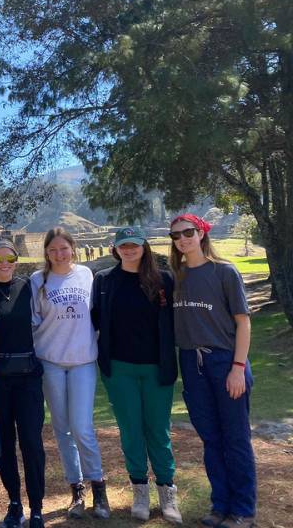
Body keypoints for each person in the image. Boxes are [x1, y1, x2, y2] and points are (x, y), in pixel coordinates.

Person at [169, 214, 256, 528]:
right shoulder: (174, 277)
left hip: (225, 361)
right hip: (192, 365)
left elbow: (243, 322)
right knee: (211, 439)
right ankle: (220, 506)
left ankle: (243, 510)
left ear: (202, 232)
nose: (183, 239)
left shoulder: (224, 272)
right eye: (176, 235)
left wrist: (237, 367)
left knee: (236, 439)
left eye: (188, 232)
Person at [91, 227, 182, 523]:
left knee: (158, 430)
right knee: (131, 430)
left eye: (134, 245)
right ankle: (140, 489)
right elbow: (95, 319)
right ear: (115, 249)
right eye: (123, 245)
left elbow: (174, 322)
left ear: (144, 247)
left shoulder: (164, 279)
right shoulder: (105, 280)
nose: (129, 250)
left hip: (157, 367)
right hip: (120, 369)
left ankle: (167, 492)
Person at [30, 227, 109, 519]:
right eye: (53, 250)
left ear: (73, 249)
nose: (59, 254)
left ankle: (98, 485)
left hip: (83, 360)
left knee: (81, 427)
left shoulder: (87, 275)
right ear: (46, 253)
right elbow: (33, 322)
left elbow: (97, 315)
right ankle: (76, 489)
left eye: (64, 248)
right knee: (61, 429)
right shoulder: (37, 281)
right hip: (50, 360)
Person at [0, 237, 46, 528]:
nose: (5, 264)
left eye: (10, 259)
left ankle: (36, 507)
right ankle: (14, 502)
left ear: (17, 260)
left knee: (32, 443)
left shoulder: (29, 286)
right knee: (3, 444)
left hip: (28, 377)